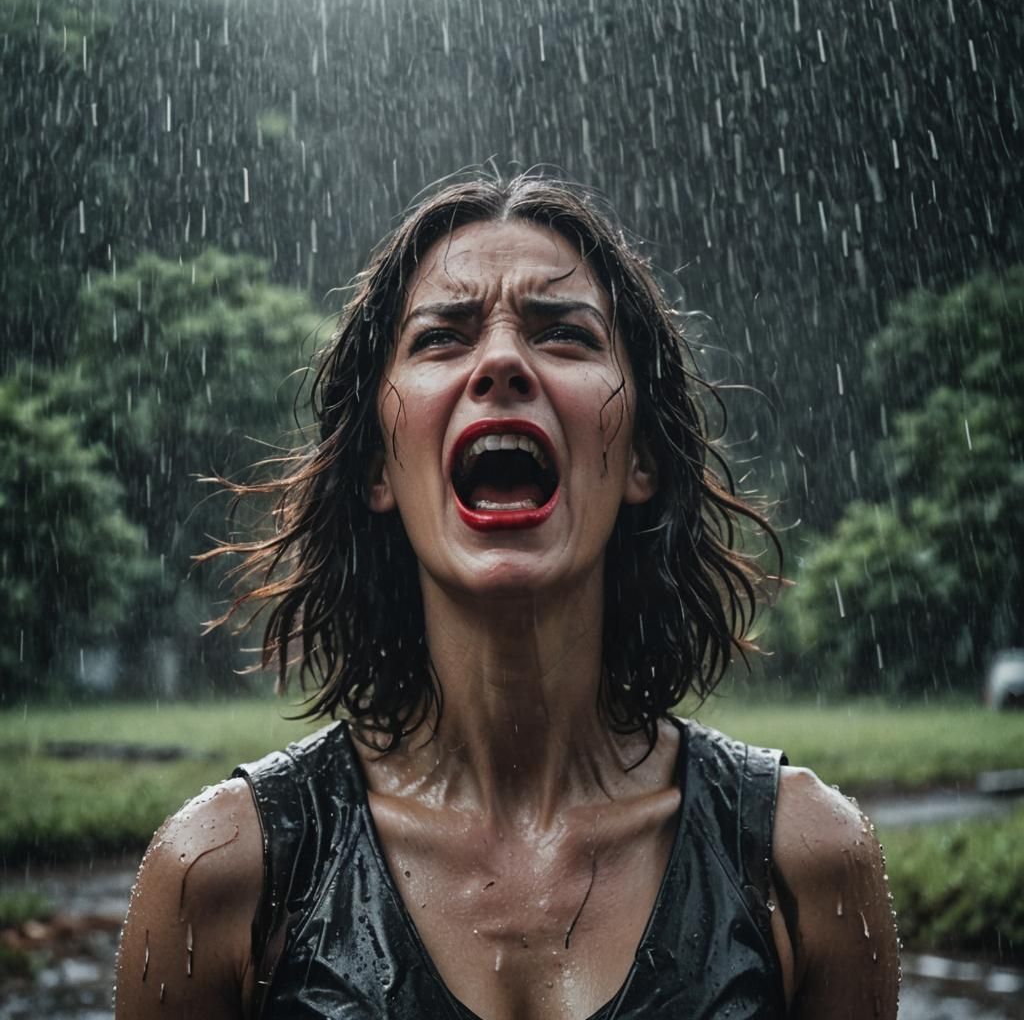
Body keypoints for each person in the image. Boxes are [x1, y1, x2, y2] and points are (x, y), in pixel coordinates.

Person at [115, 174, 899, 1019]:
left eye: (563, 333)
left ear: (641, 457)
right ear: (378, 465)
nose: (500, 362)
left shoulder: (807, 862)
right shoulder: (221, 876)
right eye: (441, 338)